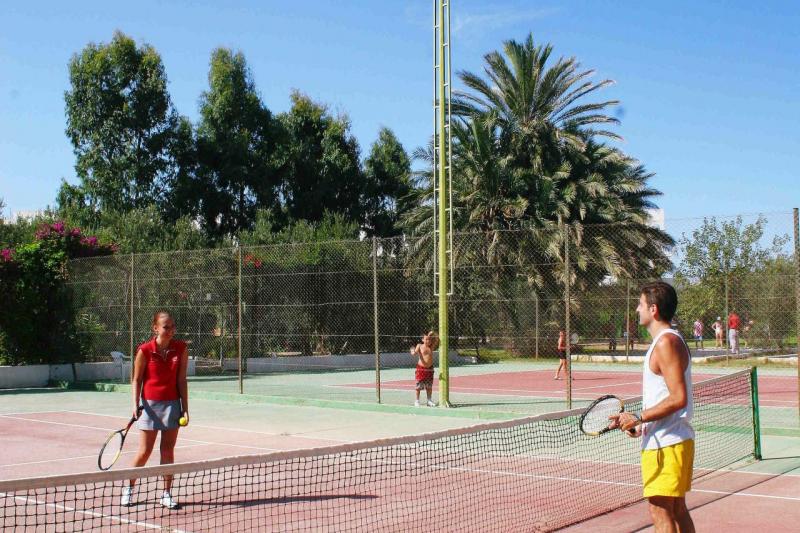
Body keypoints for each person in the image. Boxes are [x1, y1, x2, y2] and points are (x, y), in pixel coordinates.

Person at [610, 281, 695, 533]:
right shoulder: (667, 341)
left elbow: (679, 398)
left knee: (660, 512)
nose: (637, 309)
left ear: (654, 309)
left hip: (667, 444)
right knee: (677, 510)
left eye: (641, 304)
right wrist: (639, 426)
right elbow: (666, 397)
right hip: (668, 439)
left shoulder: (665, 343)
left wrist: (639, 416)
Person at [122, 311, 190, 509]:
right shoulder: (144, 350)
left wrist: (185, 409)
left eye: (172, 326)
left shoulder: (180, 348)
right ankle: (129, 488)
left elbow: (181, 380)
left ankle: (166, 494)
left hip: (172, 405)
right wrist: (135, 404)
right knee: (145, 451)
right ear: (156, 328)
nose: (170, 330)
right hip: (150, 406)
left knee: (167, 451)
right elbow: (136, 379)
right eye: (165, 327)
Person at [411, 331, 438, 407]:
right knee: (418, 386)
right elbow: (415, 353)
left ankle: (429, 400)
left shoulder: (431, 346)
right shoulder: (419, 346)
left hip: (430, 369)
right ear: (422, 339)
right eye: (426, 339)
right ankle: (417, 401)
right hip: (421, 369)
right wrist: (413, 351)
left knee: (429, 386)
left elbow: (437, 339)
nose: (428, 341)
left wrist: (432, 333)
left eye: (429, 339)